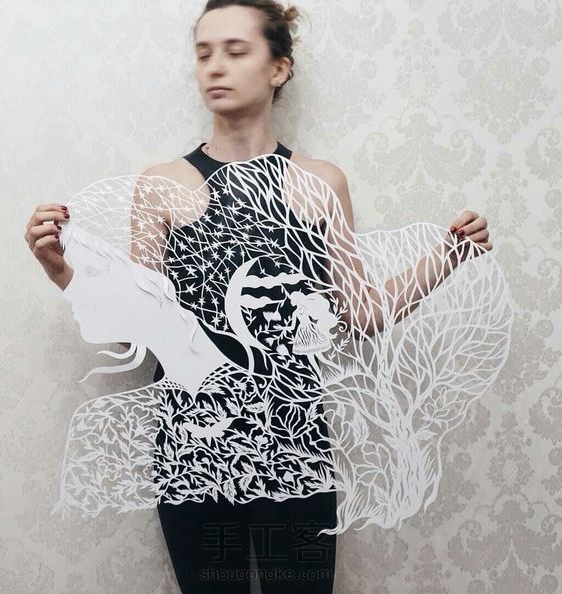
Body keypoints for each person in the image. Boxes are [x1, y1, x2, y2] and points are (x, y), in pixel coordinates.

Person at [25, 1, 492, 591]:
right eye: (203, 53)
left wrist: (448, 255)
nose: (214, 66)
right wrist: (62, 271)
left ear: (279, 68)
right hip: (192, 447)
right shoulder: (161, 185)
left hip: (296, 443)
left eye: (236, 51)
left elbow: (362, 313)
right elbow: (140, 331)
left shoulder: (320, 182)